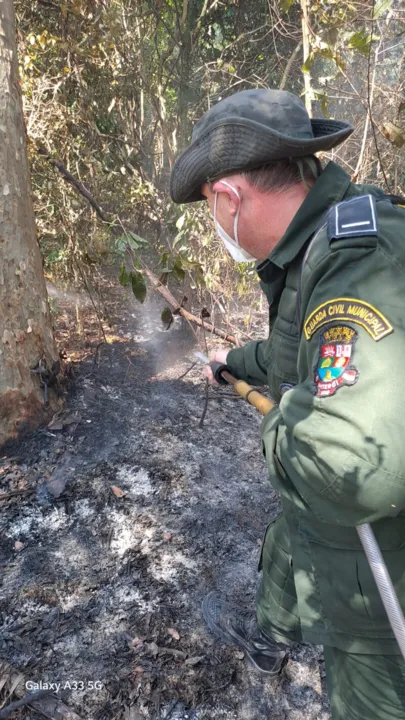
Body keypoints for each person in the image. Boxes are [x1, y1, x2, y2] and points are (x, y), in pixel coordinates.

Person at [169, 88, 405, 720]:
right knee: (284, 542)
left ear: (227, 196)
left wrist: (279, 426)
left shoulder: (361, 254)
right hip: (329, 542)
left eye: (209, 211)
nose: (217, 227)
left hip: (380, 588)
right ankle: (271, 641)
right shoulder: (314, 250)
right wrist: (234, 365)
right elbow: (300, 349)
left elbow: (348, 465)